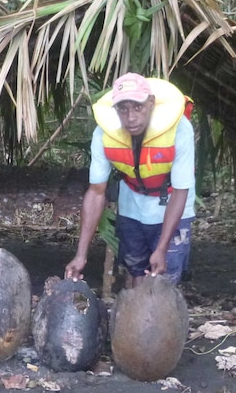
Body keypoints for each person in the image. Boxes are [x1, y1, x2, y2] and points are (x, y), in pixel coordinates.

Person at [65, 72, 195, 289]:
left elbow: (181, 191)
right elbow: (96, 192)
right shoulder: (104, 134)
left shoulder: (179, 129)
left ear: (151, 103)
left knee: (164, 282)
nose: (131, 117)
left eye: (137, 107)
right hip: (132, 206)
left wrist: (162, 248)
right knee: (137, 274)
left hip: (171, 203)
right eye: (123, 108)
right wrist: (81, 255)